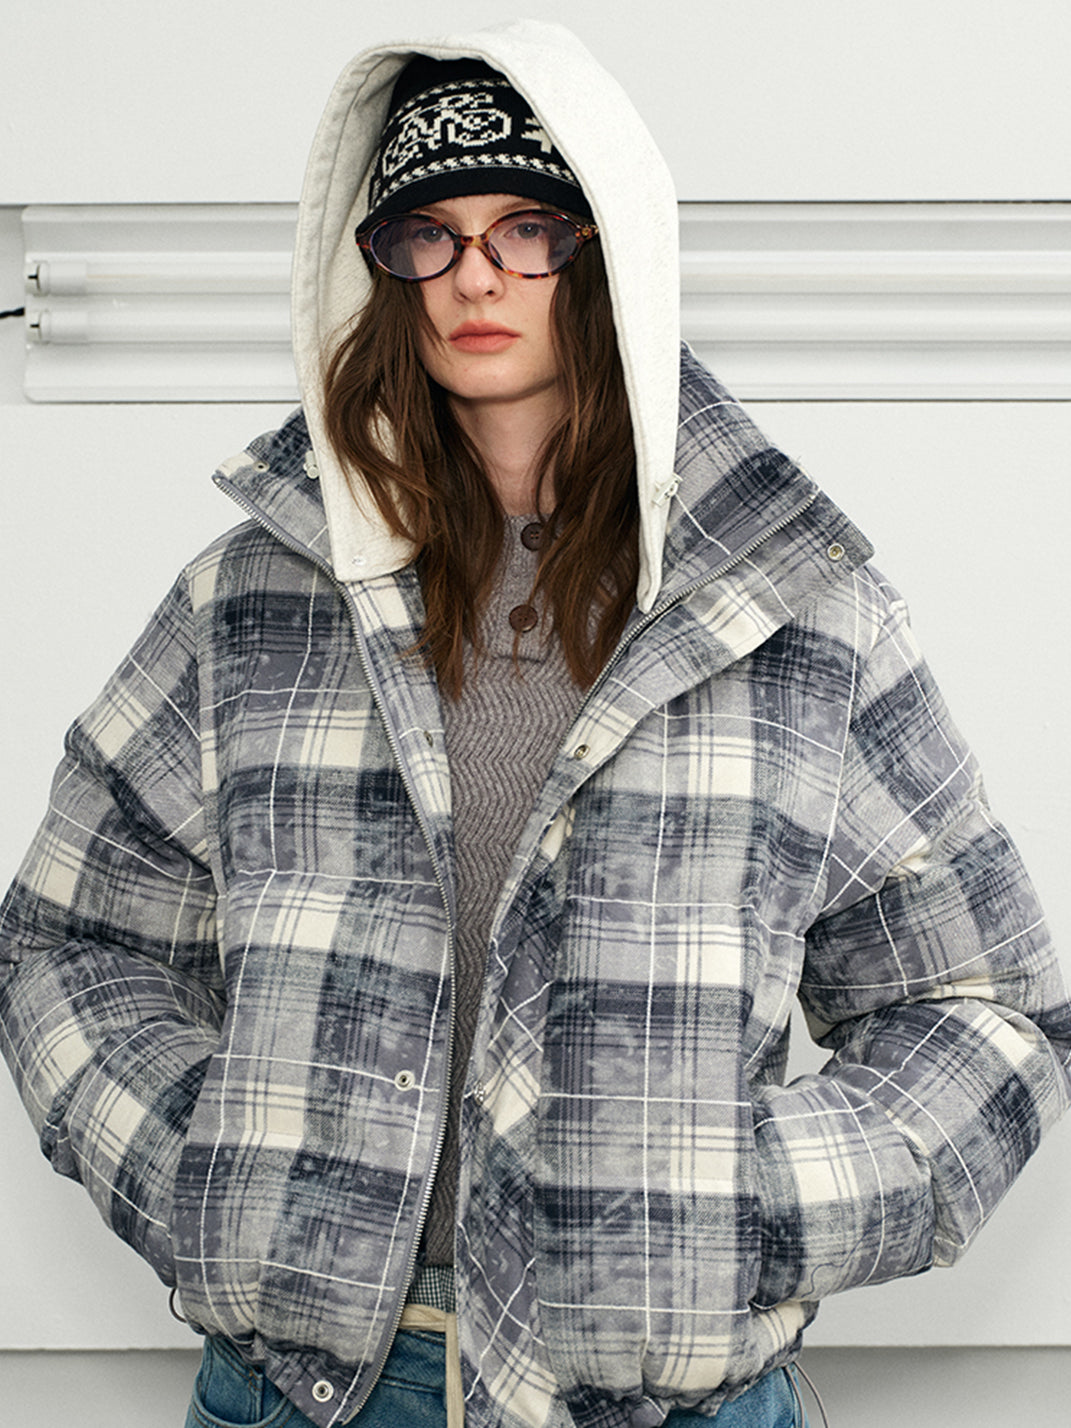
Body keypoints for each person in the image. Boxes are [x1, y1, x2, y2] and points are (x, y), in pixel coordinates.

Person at [0, 18, 1068, 1428]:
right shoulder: (257, 597)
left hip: (665, 1404)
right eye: (427, 236)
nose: (474, 277)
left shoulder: (789, 611)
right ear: (378, 270)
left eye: (527, 230)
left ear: (610, 249)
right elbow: (71, 941)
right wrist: (221, 1179)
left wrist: (733, 1214)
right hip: (314, 1396)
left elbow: (982, 1006)